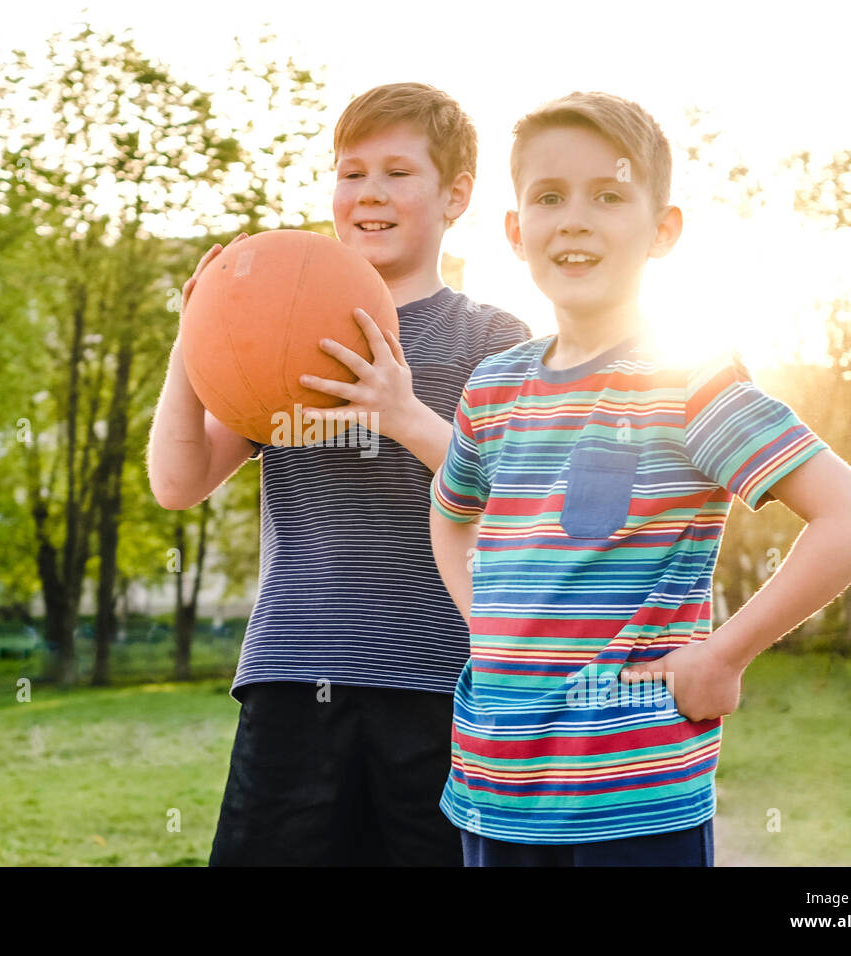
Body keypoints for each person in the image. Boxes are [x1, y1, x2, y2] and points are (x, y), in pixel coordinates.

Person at [428, 91, 851, 866]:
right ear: (516, 231)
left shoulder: (691, 383)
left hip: (633, 800)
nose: (574, 219)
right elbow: (450, 515)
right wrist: (480, 617)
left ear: (663, 230)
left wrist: (724, 655)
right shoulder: (493, 387)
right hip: (494, 789)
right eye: (549, 197)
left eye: (609, 196)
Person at [147, 82, 533, 865]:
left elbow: (517, 501)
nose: (368, 194)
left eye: (397, 172)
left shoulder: (492, 336)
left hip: (440, 686)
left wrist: (404, 413)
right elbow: (177, 483)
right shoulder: (284, 327)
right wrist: (193, 348)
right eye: (351, 172)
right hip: (294, 677)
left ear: (454, 195)